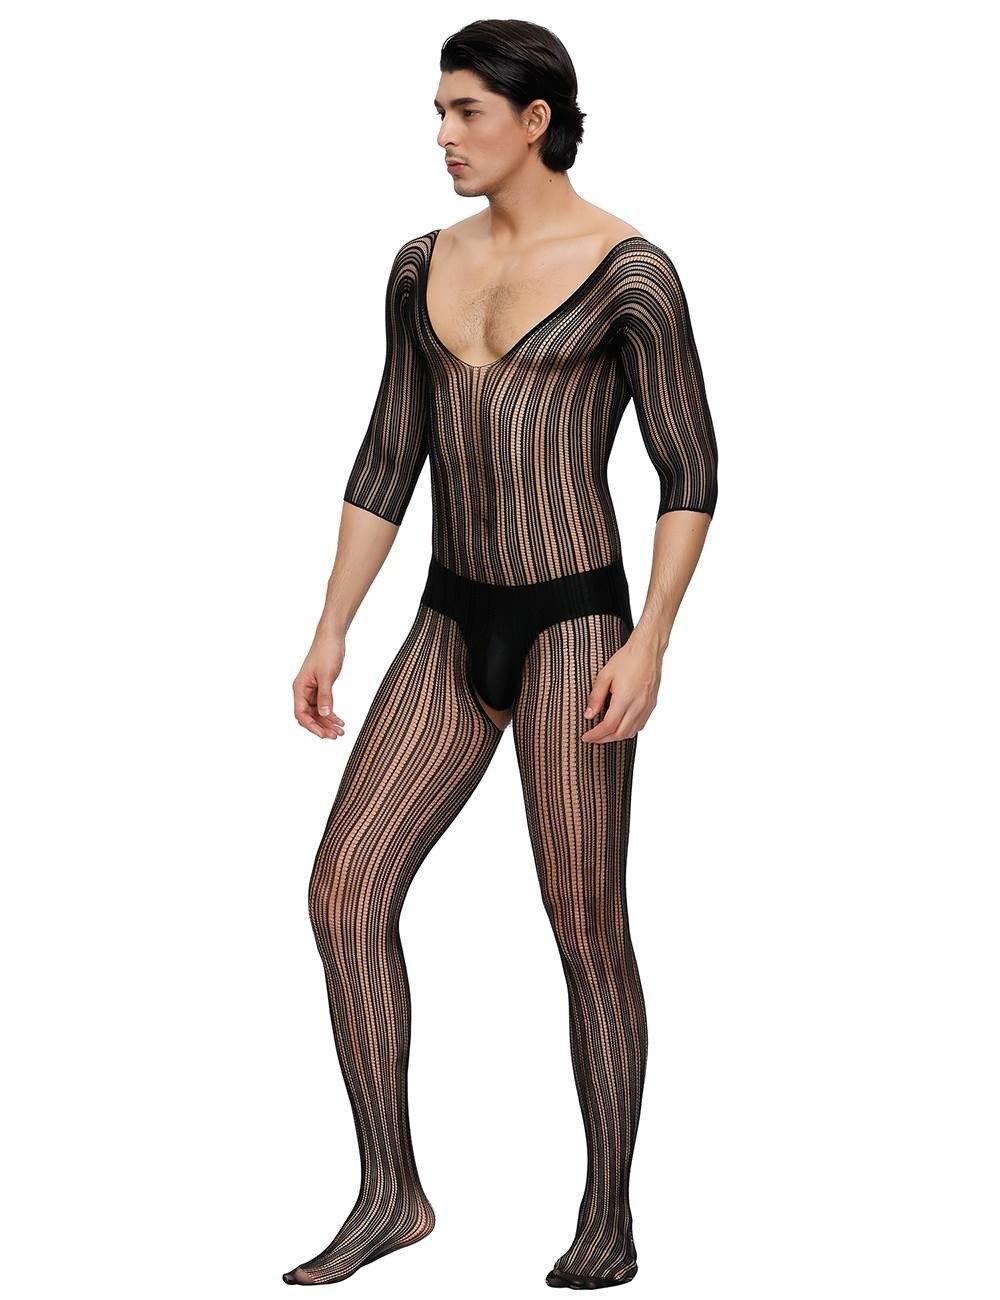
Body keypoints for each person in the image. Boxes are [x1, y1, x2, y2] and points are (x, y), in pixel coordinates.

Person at [284, 18, 718, 1291]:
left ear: (535, 121)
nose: (442, 135)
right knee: (343, 890)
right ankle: (390, 1191)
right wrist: (330, 626)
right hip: (447, 617)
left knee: (584, 923)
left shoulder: (631, 272)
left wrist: (651, 639)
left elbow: (690, 468)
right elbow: (388, 455)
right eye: (439, 110)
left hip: (576, 620)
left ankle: (607, 1214)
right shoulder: (421, 264)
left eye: (465, 110)